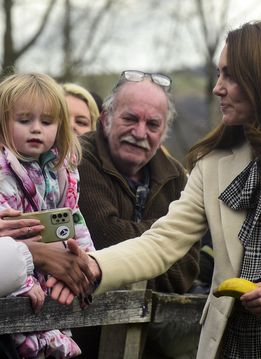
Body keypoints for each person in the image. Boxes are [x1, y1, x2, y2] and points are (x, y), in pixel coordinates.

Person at [48, 20, 261, 358]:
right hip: (230, 348)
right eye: (217, 74)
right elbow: (162, 242)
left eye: (230, 76)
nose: (217, 88)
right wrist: (94, 266)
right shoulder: (213, 164)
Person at [73, 70, 200, 358]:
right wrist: (165, 244)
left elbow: (186, 269)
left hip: (153, 348)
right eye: (130, 118)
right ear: (106, 118)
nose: (140, 133)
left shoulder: (176, 177)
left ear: (164, 131)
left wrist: (127, 253)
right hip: (81, 342)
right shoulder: (77, 157)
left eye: (153, 124)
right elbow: (103, 238)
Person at [0, 73, 95, 358]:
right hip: (16, 287)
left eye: (46, 122)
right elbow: (6, 239)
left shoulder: (61, 172)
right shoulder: (3, 172)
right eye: (25, 120)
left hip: (50, 282)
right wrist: (22, 282)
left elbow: (73, 219)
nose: (36, 130)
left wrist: (87, 261)